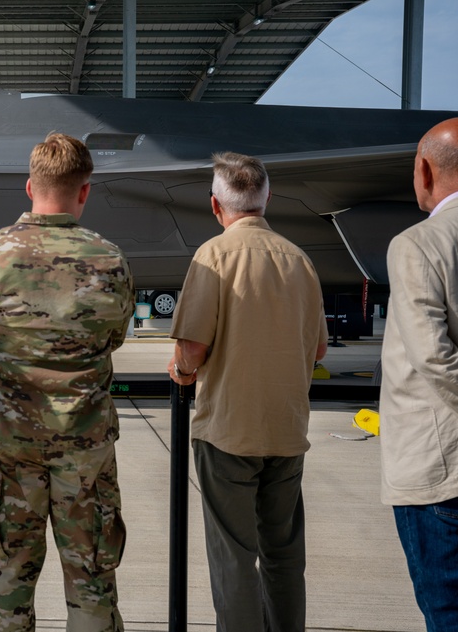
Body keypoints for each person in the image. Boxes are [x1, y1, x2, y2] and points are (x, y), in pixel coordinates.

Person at [0, 132, 135, 631]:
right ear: (85, 190)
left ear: (29, 186)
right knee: (92, 584)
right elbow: (115, 336)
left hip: (10, 446)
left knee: (9, 582)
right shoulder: (108, 260)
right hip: (85, 450)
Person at [167, 151, 328, 632]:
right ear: (267, 200)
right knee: (283, 555)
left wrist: (181, 369)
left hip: (228, 433)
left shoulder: (213, 255)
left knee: (234, 557)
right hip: (286, 431)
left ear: (216, 206)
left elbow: (191, 347)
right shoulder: (300, 260)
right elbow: (318, 350)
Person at [379, 117, 458, 632]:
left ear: (425, 169)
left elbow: (434, 357)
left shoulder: (419, 243)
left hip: (444, 471)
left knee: (452, 616)